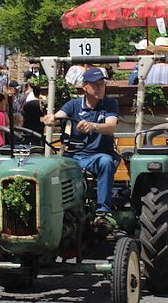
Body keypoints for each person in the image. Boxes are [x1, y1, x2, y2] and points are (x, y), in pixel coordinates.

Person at [41, 67, 119, 225]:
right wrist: (51, 119)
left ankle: (102, 212)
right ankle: (51, 209)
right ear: (85, 86)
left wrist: (93, 126)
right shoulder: (74, 105)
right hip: (74, 156)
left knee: (106, 161)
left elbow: (111, 126)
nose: (100, 88)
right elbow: (59, 117)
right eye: (95, 84)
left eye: (102, 84)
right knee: (49, 167)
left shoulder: (110, 104)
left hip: (97, 156)